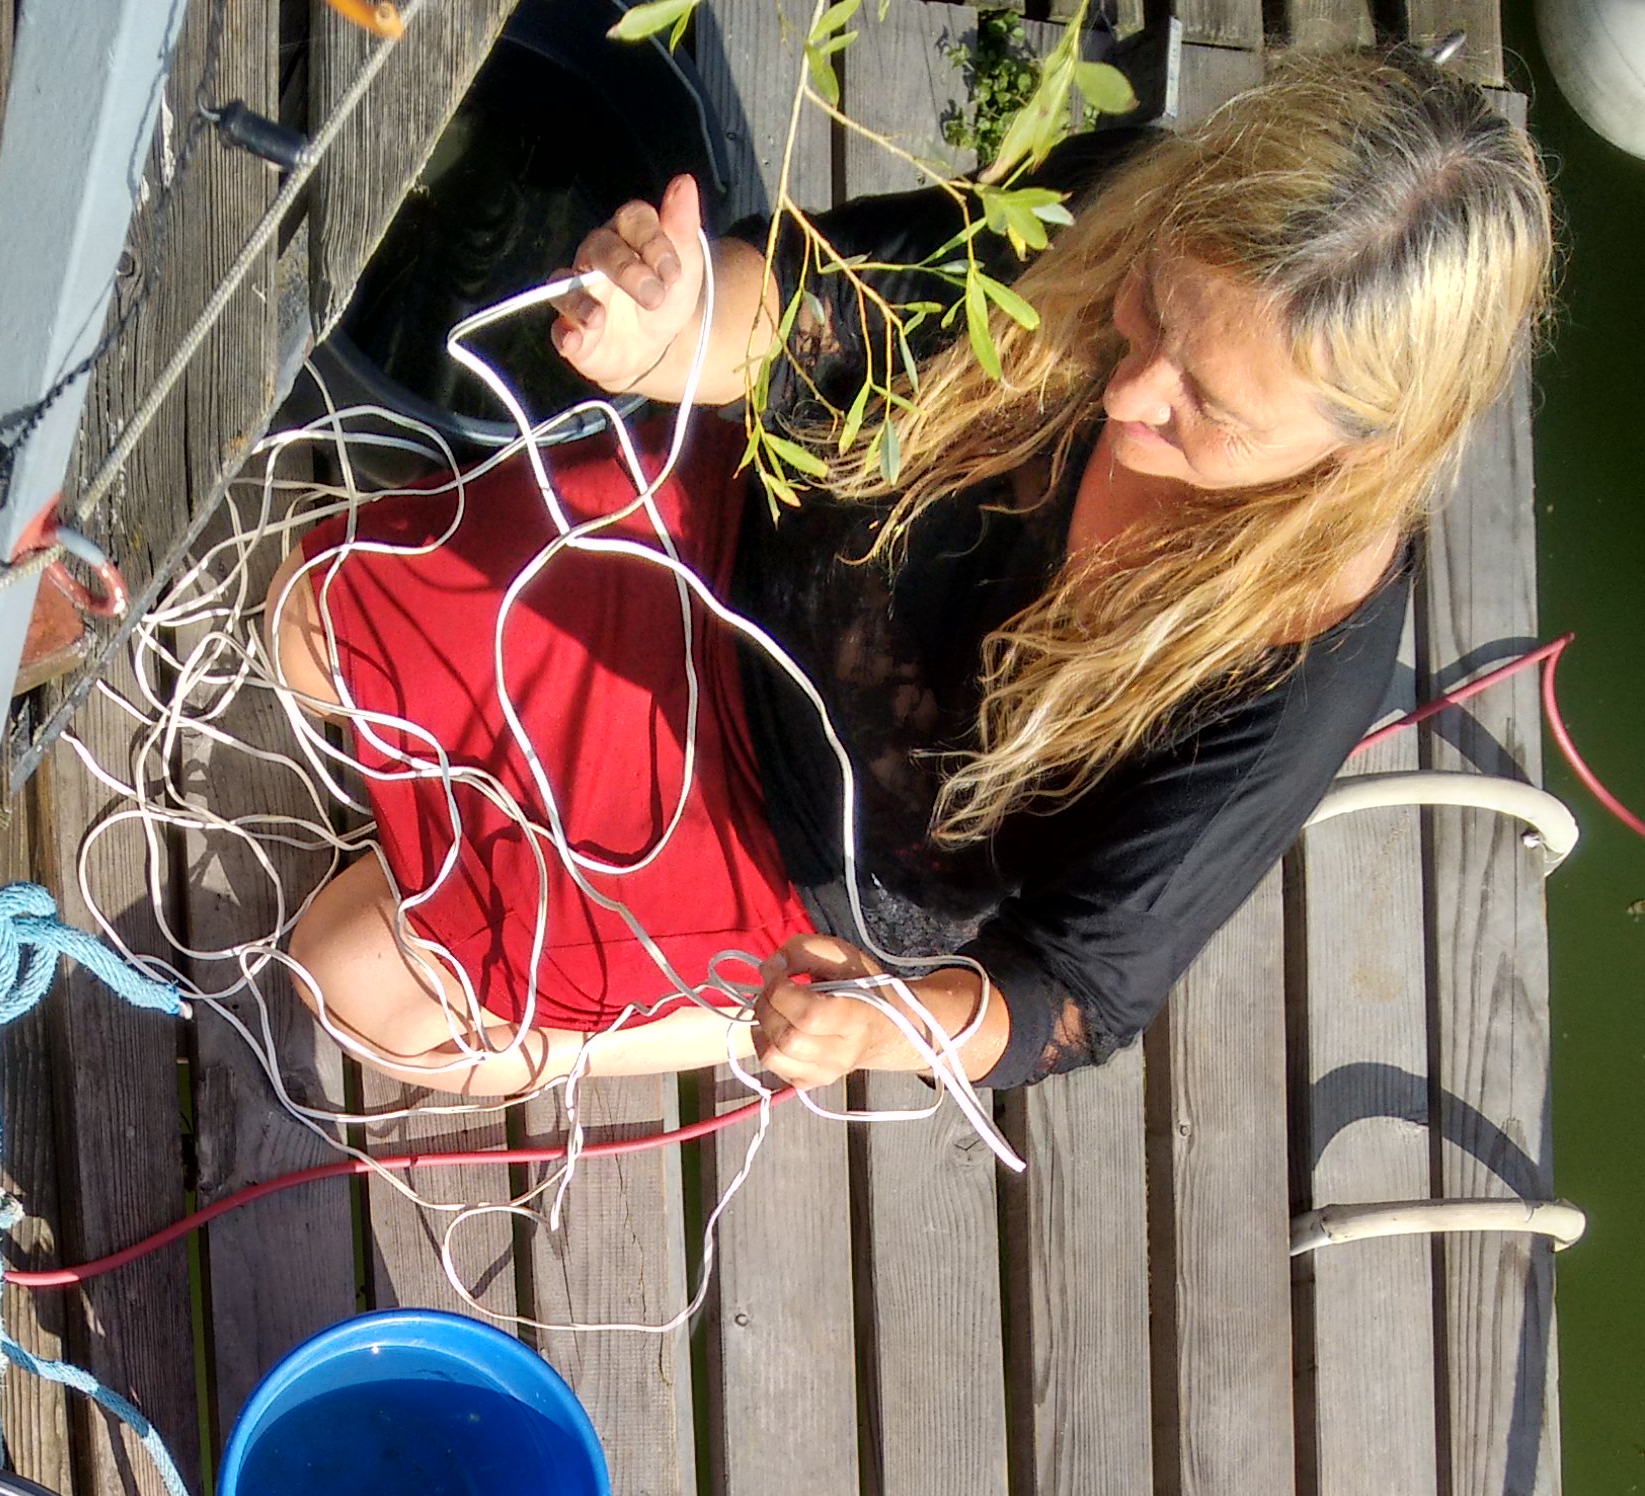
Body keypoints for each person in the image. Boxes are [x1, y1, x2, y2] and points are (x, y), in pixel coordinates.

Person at [269, 45, 1551, 1105]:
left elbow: (1078, 996)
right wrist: (672, 330)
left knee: (354, 992)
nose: (1126, 390)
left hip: (799, 847)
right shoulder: (1126, 194)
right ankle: (464, 810)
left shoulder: (1300, 660)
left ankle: (712, 1018)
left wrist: (887, 1025)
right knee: (299, 628)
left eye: (1208, 405)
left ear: (1359, 444)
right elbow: (819, 307)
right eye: (1153, 306)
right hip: (718, 542)